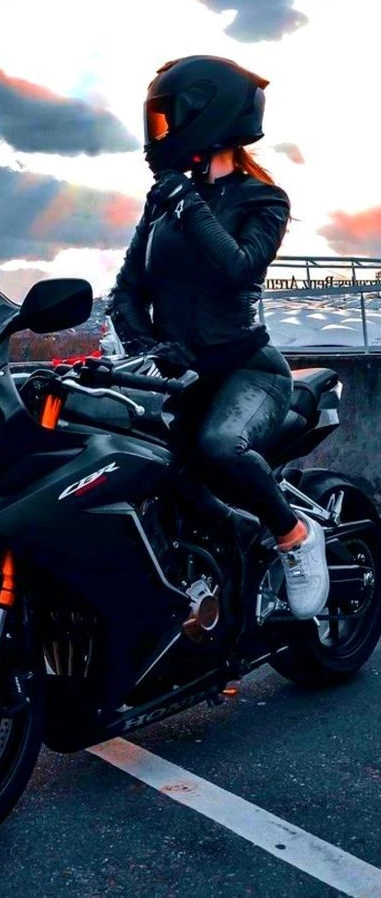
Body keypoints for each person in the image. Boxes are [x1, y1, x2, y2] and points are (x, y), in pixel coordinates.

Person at [107, 55, 329, 622]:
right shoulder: (161, 204)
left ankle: (296, 536)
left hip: (248, 370)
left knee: (219, 446)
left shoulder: (263, 200)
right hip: (183, 377)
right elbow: (125, 291)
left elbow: (239, 269)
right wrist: (149, 348)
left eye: (167, 118)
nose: (158, 133)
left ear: (210, 113)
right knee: (146, 463)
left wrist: (187, 202)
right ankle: (228, 556)